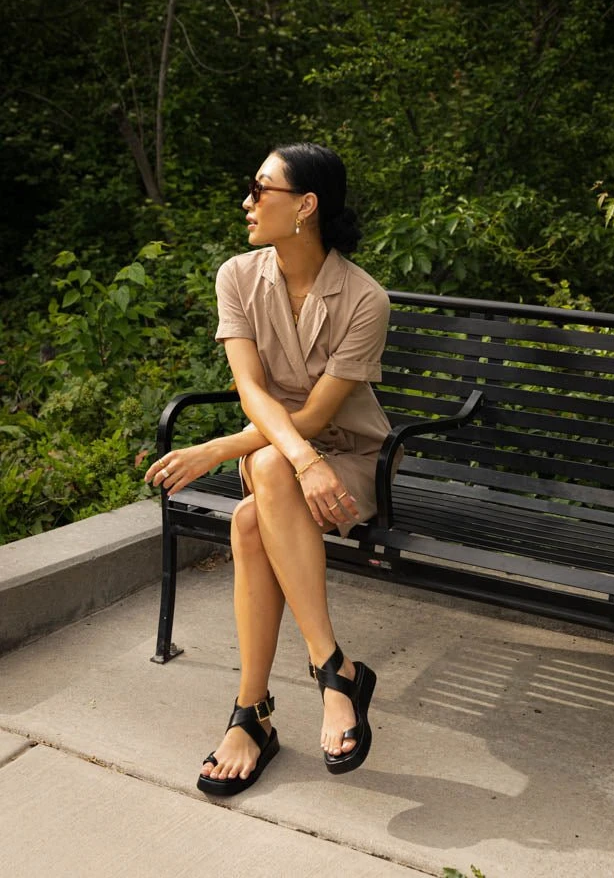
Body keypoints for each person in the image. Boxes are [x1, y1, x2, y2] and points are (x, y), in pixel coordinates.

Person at [145, 142, 394, 796]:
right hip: (287, 458)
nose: (247, 201)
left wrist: (221, 450)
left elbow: (315, 417)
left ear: (305, 206)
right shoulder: (237, 275)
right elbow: (251, 391)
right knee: (268, 463)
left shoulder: (364, 299)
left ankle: (251, 712)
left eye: (261, 189)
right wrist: (284, 457)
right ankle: (333, 671)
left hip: (352, 460)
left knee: (251, 518)